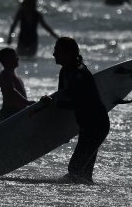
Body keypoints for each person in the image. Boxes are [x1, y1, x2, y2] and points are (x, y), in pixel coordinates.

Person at [39, 37, 109, 183]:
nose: (53, 54)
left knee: (75, 168)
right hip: (85, 125)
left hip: (97, 125)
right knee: (83, 173)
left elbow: (77, 103)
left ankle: (75, 197)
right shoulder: (64, 72)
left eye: (56, 51)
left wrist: (54, 103)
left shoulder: (80, 74)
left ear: (68, 53)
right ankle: (86, 199)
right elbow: (62, 98)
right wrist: (61, 132)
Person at [0, 48, 35, 121]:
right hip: (10, 112)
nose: (17, 58)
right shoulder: (5, 74)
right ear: (6, 60)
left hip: (19, 111)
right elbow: (11, 91)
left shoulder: (15, 76)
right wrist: (27, 102)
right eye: (14, 57)